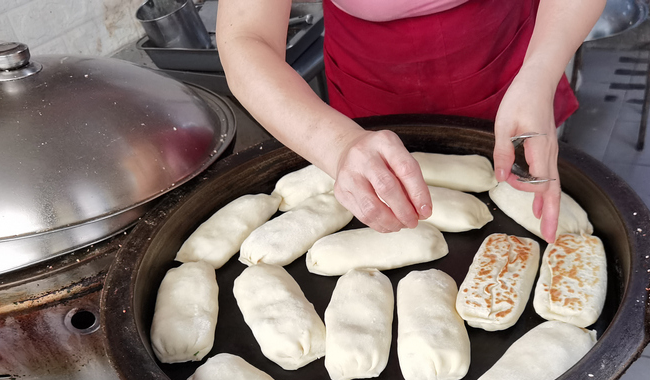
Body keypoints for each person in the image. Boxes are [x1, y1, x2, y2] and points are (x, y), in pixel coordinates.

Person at [216, 0, 605, 243]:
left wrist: (539, 73)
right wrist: (337, 144)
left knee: (520, 193)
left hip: (506, 53)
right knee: (384, 205)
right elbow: (245, 36)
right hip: (370, 70)